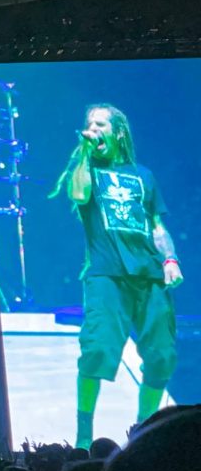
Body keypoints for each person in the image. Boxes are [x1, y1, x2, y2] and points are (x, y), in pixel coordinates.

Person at [51, 104, 183, 448]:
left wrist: (170, 258)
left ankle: (143, 432)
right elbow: (79, 194)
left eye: (100, 124)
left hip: (150, 276)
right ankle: (83, 436)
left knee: (162, 356)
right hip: (106, 275)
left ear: (118, 132)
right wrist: (84, 151)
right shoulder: (87, 170)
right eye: (89, 123)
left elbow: (157, 225)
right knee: (96, 350)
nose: (92, 128)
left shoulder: (144, 175)